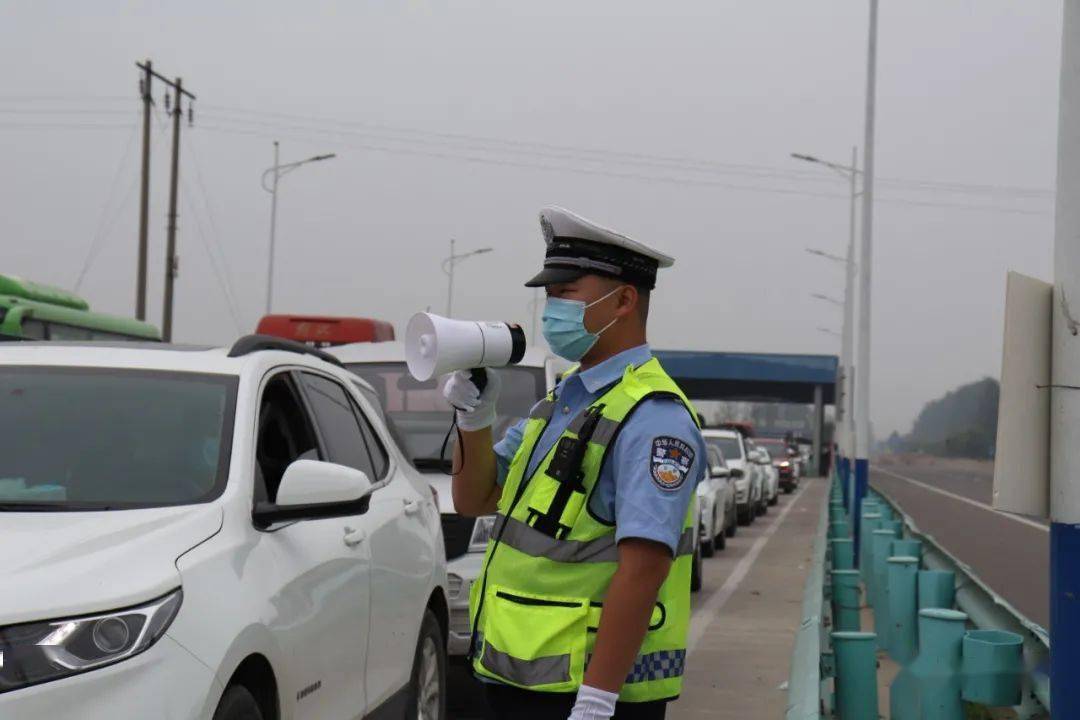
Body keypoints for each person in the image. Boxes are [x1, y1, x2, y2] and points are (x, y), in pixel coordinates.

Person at [445, 206, 706, 720]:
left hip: (584, 693)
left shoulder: (653, 419)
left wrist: (598, 699)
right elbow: (475, 498)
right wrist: (474, 419)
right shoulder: (567, 398)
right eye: (549, 295)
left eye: (566, 294)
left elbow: (645, 566)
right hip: (518, 676)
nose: (551, 309)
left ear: (625, 300)